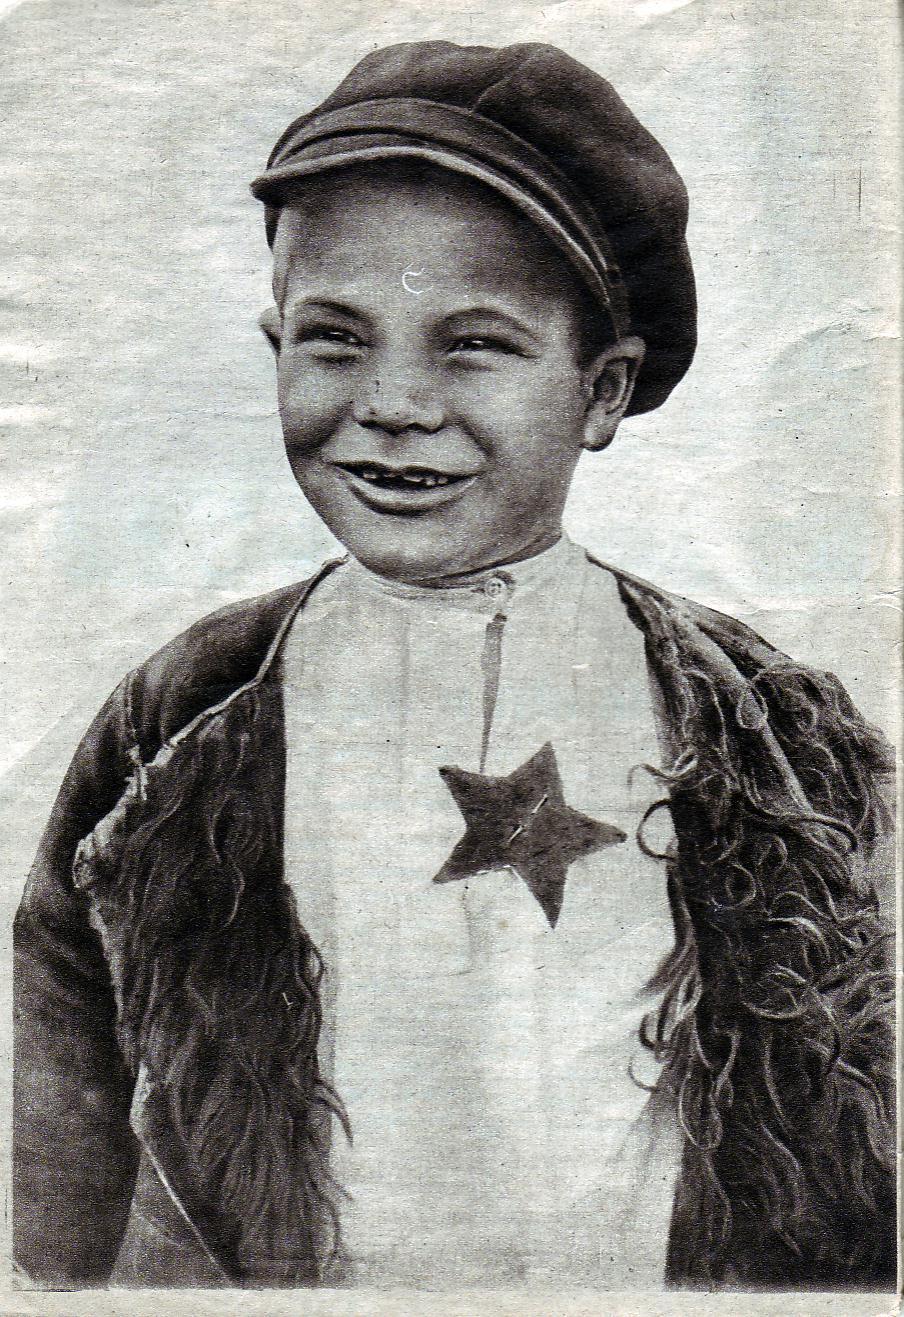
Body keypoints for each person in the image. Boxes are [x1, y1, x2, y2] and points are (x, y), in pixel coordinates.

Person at [13, 40, 895, 1292]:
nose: (393, 402)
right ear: (274, 346)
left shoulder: (773, 729)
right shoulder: (186, 712)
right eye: (334, 340)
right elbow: (57, 1062)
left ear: (603, 390)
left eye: (472, 345)